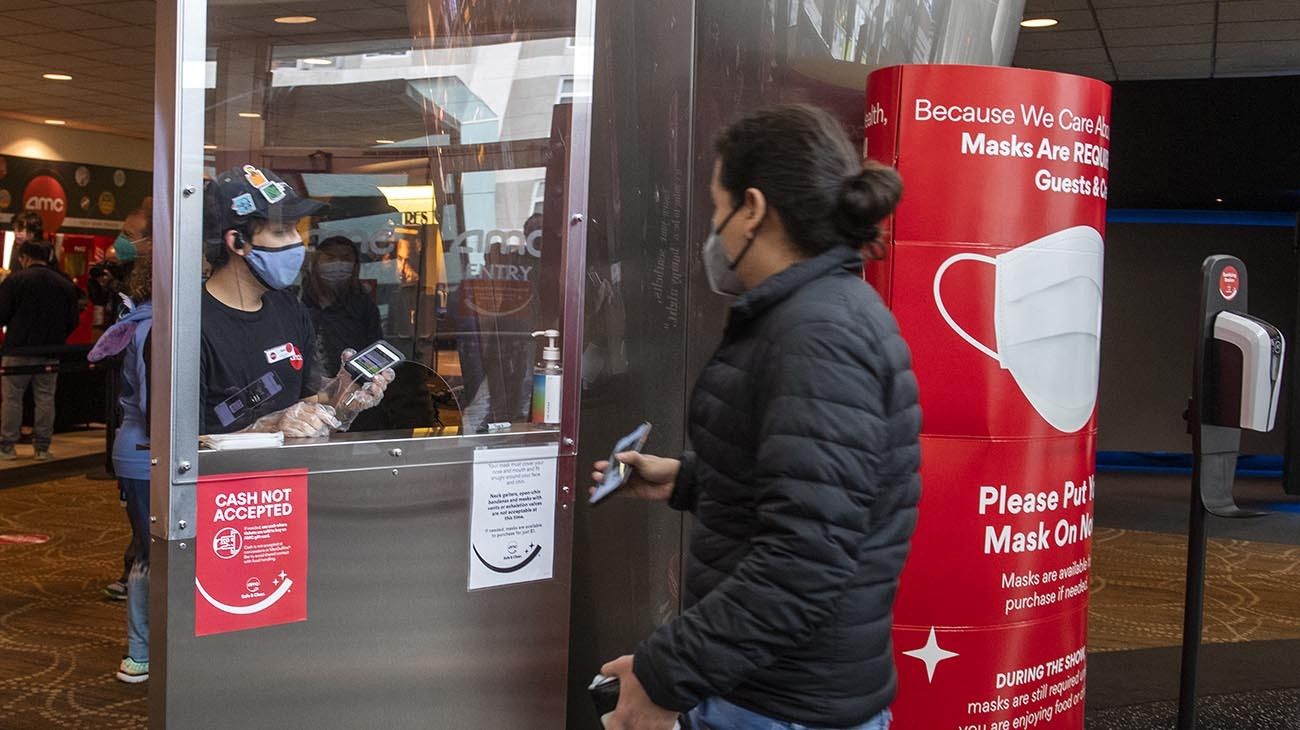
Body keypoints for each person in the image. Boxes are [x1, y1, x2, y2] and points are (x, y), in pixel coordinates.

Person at [590, 105, 919, 730]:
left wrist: (663, 676)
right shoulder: (815, 316)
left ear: (753, 209)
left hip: (781, 704)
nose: (712, 231)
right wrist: (689, 480)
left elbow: (806, 559)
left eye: (716, 210)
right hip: (776, 689)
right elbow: (817, 498)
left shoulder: (817, 333)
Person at [201, 165, 392, 438]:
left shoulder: (289, 308)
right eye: (281, 232)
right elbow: (177, 446)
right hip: (224, 480)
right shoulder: (190, 328)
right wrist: (269, 427)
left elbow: (310, 399)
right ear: (237, 242)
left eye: (295, 230)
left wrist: (343, 395)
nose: (297, 243)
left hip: (291, 477)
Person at [87, 221, 154, 682]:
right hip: (147, 448)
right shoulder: (153, 326)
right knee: (154, 553)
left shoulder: (139, 318)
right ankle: (142, 649)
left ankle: (144, 648)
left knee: (149, 551)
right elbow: (155, 405)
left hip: (138, 448)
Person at [0, 239, 81, 460]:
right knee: (45, 398)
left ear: (24, 258)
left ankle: (7, 446)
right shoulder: (64, 283)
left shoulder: (15, 280)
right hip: (50, 351)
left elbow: (1, 313)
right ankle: (42, 448)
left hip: (17, 350)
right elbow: (73, 319)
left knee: (12, 398)